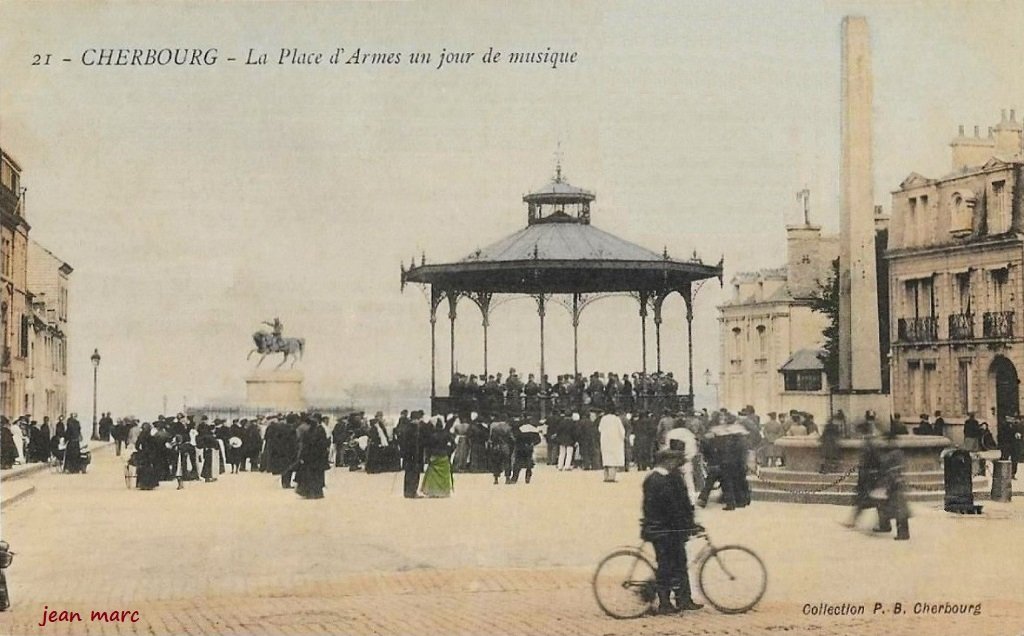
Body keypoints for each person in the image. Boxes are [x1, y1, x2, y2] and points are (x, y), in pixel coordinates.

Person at [641, 449, 704, 614]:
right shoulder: (656, 480)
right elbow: (667, 507)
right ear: (666, 461)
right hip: (662, 531)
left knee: (679, 563)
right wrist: (685, 524)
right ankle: (664, 603)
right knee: (666, 566)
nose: (678, 465)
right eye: (675, 461)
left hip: (669, 529)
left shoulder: (668, 477)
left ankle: (684, 599)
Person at [874, 430, 911, 540]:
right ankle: (885, 525)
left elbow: (889, 467)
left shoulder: (893, 453)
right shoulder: (897, 452)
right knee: (887, 506)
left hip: (894, 483)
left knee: (899, 509)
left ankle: (902, 533)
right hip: (894, 483)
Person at [421, 416, 455, 497]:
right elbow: (454, 444)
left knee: (433, 475)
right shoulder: (446, 434)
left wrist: (428, 457)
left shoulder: (432, 435)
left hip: (434, 456)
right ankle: (444, 491)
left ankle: (433, 491)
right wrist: (449, 451)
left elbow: (428, 447)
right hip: (444, 456)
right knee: (444, 475)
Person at [295, 421, 330, 499]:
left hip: (309, 459)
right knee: (318, 477)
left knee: (309, 477)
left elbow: (304, 447)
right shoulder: (320, 433)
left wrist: (302, 457)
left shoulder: (307, 434)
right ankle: (318, 493)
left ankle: (309, 493)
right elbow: (324, 446)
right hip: (318, 459)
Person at [395, 410, 424, 498]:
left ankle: (407, 492)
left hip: (407, 455)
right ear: (416, 419)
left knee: (408, 474)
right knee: (414, 474)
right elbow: (416, 444)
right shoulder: (414, 429)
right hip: (414, 455)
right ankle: (413, 492)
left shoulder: (406, 428)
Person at [599, 408, 626, 483]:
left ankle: (606, 476)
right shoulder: (616, 419)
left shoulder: (603, 419)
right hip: (615, 442)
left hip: (604, 442)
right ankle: (611, 477)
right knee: (613, 461)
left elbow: (600, 429)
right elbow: (622, 431)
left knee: (606, 460)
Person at [488, 418, 515, 485]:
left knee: (496, 463)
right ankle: (507, 478)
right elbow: (512, 439)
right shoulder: (508, 428)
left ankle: (496, 479)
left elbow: (492, 438)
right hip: (505, 447)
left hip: (496, 447)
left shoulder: (495, 428)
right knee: (507, 462)